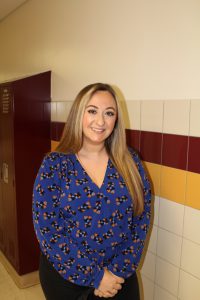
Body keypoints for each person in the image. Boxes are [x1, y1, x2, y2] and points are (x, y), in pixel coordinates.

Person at [32, 83, 152, 300]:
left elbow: (141, 220)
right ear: (79, 114)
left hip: (119, 278)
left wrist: (116, 272)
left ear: (116, 120)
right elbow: (48, 231)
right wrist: (96, 277)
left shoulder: (131, 162)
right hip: (66, 281)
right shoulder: (55, 165)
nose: (100, 121)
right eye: (92, 111)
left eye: (109, 113)